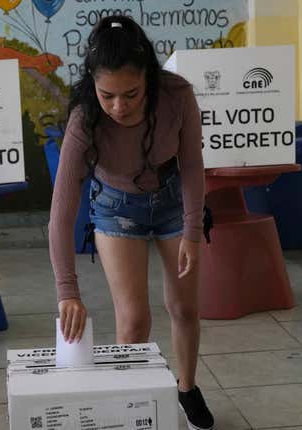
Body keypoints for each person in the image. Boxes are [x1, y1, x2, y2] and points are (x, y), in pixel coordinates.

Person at [48, 15, 214, 430]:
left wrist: (193, 232)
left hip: (174, 202)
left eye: (131, 94)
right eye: (108, 96)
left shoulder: (178, 95)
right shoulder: (84, 120)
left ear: (149, 80)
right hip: (115, 207)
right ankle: (132, 407)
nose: (119, 106)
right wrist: (67, 291)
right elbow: (61, 213)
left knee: (184, 307)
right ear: (93, 86)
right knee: (134, 320)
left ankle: (187, 388)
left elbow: (193, 166)